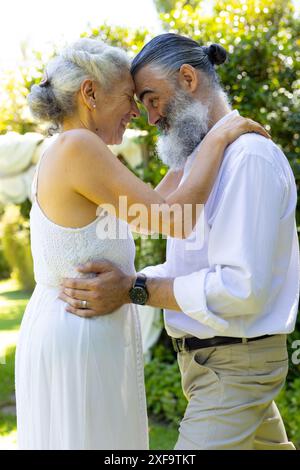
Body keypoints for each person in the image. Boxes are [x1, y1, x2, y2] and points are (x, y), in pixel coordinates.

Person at [15, 37, 265, 450]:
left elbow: (157, 206)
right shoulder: (79, 147)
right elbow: (176, 218)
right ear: (90, 93)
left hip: (73, 323)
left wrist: (203, 138)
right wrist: (220, 137)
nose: (136, 112)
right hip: (79, 331)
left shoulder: (69, 147)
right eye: (130, 97)